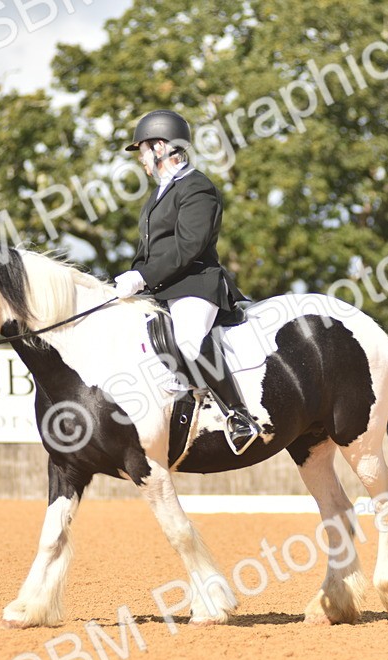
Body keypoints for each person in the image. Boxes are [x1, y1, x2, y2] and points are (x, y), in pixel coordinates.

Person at [115, 109, 261, 454]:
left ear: (161, 147)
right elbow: (149, 251)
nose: (141, 160)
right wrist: (128, 279)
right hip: (161, 289)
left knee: (191, 342)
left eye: (143, 150)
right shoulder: (157, 196)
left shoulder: (198, 187)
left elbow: (188, 246)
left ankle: (239, 416)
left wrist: (141, 276)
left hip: (195, 284)